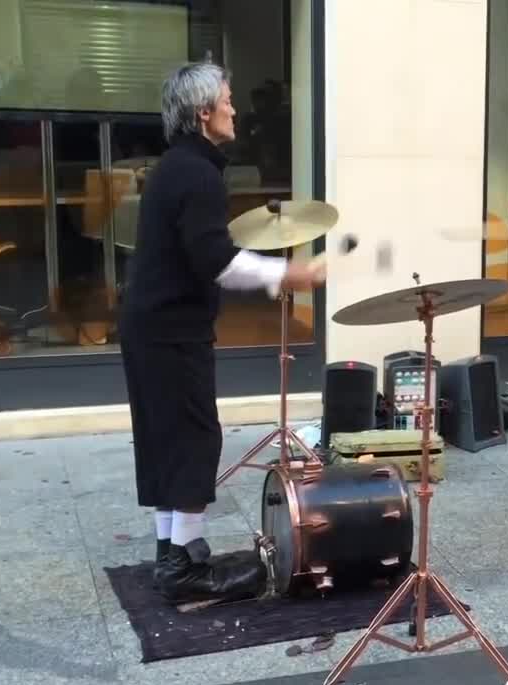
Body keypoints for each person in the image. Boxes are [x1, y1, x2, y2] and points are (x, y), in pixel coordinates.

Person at [119, 61, 326, 606]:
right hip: (170, 329)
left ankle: (174, 554)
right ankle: (184, 567)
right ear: (203, 112)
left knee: (168, 440)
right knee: (192, 438)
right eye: (228, 101)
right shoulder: (197, 172)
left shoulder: (178, 166)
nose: (236, 109)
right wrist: (288, 273)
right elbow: (216, 260)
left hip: (151, 325)